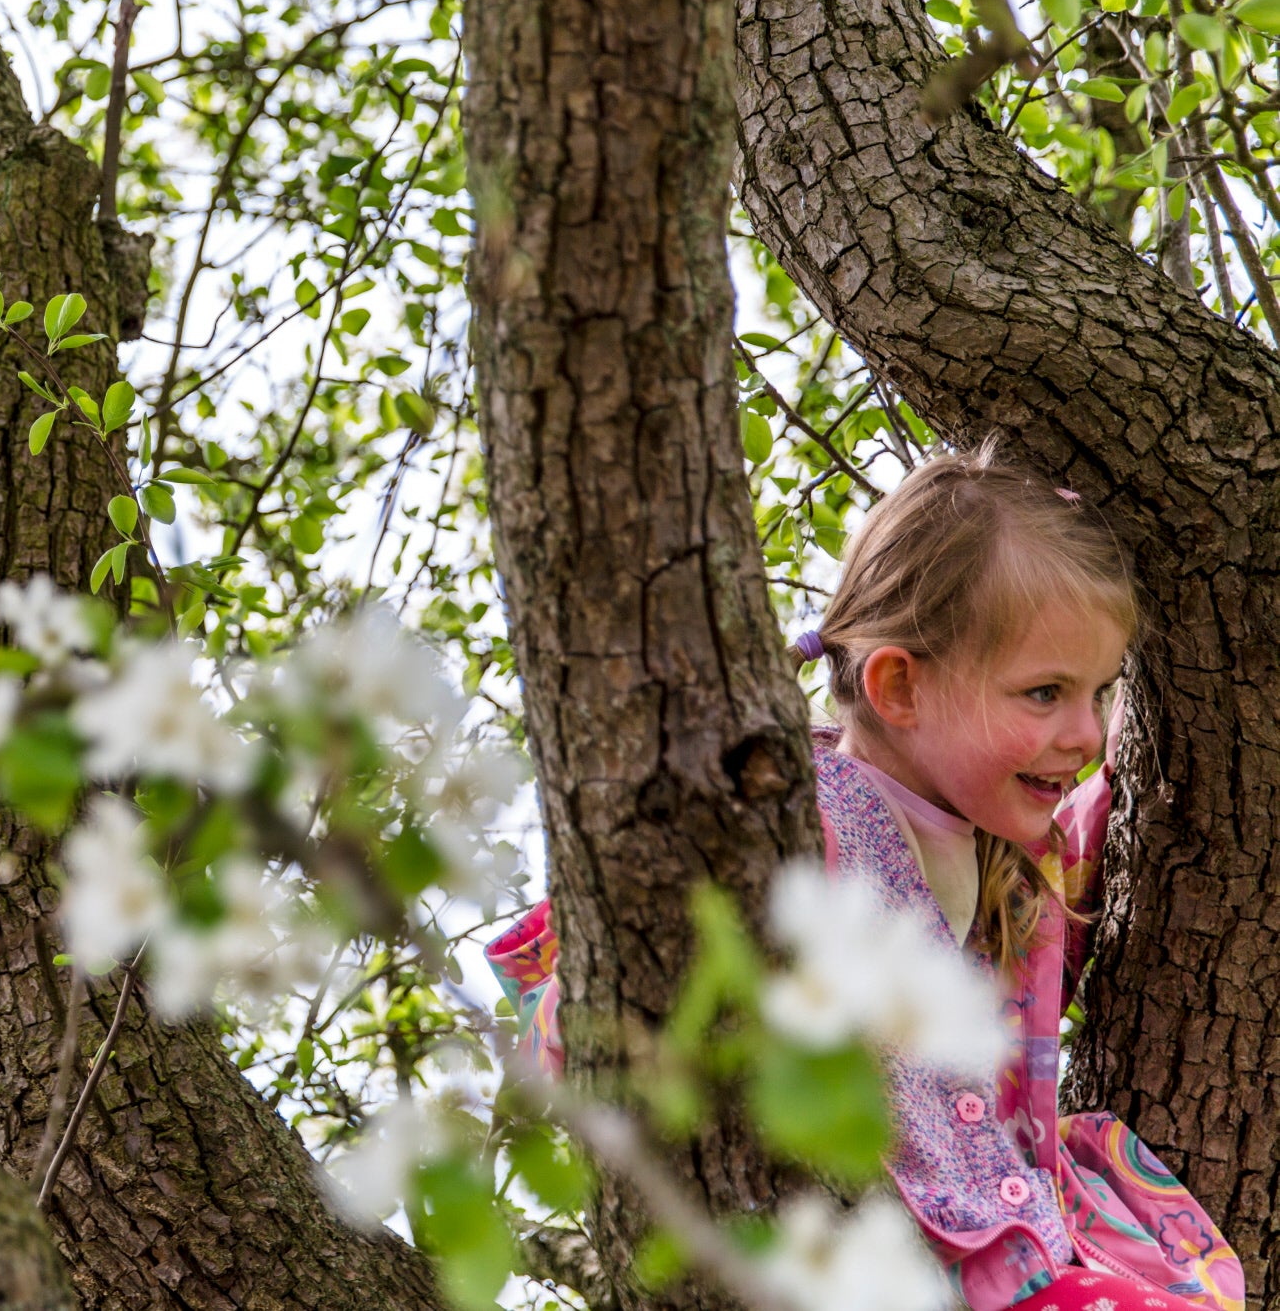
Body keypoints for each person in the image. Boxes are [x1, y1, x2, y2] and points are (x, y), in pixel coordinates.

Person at [485, 444, 1245, 1310]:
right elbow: (616, 1002)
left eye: (1100, 691)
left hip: (997, 1239)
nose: (1083, 729)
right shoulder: (803, 822)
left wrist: (1131, 783)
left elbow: (1034, 958)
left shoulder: (1001, 850)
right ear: (898, 687)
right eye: (1045, 692)